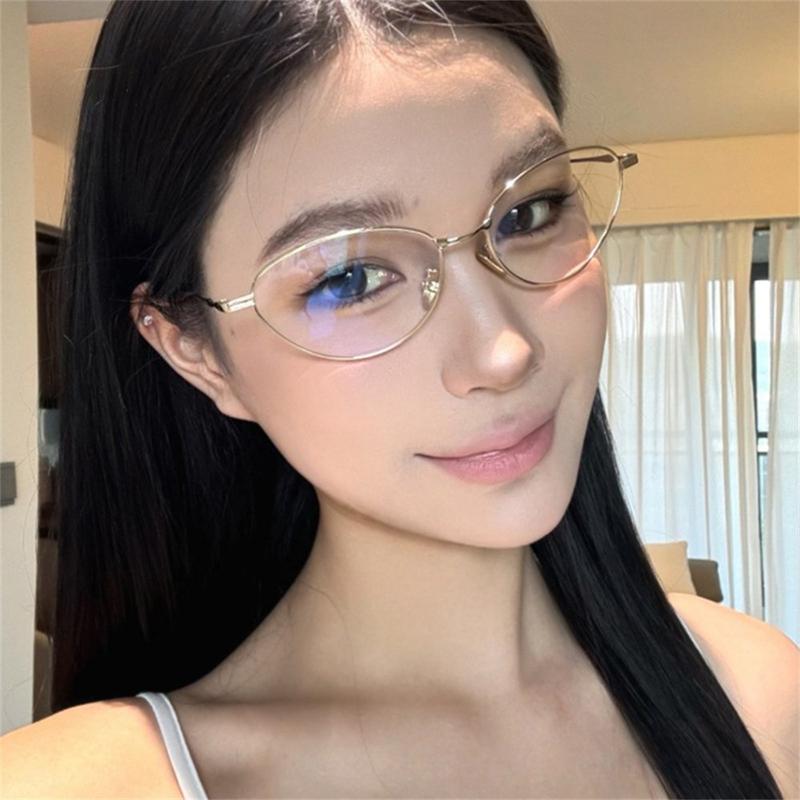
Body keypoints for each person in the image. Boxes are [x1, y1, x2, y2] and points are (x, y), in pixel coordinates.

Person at [1, 1, 796, 798]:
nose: (504, 352)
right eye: (349, 278)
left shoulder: (759, 691)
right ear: (196, 350)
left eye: (528, 212)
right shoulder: (85, 784)